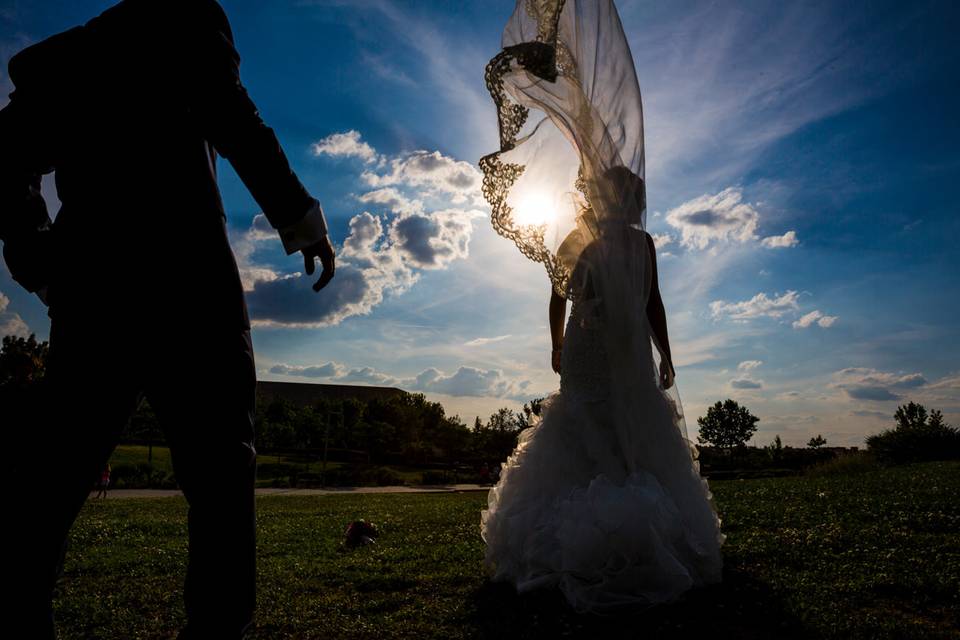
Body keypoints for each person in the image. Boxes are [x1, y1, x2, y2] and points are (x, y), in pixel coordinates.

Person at [0, 1, 335, 637]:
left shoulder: (71, 57)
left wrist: (41, 258)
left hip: (94, 288)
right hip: (190, 289)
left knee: (56, 472)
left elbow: (5, 158)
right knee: (220, 480)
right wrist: (300, 220)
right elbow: (235, 118)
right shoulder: (188, 20)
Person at [479, 0, 724, 613]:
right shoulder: (588, 242)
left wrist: (661, 353)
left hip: (619, 349)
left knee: (617, 428)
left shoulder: (632, 244)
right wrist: (562, 344)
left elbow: (649, 301)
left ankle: (628, 530)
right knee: (592, 425)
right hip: (597, 348)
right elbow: (561, 296)